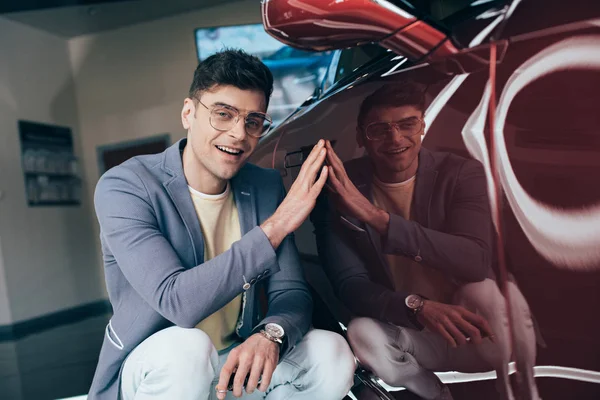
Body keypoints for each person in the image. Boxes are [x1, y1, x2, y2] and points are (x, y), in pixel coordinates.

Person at [88, 49, 356, 400]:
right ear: (188, 112)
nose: (238, 134)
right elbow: (176, 301)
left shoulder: (263, 185)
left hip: (231, 362)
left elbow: (290, 291)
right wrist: (275, 227)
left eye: (253, 121)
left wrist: (269, 335)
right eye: (223, 114)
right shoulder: (125, 186)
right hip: (159, 366)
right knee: (188, 349)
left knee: (331, 353)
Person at [313, 82, 540, 400]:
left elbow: (474, 260)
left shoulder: (460, 173)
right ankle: (434, 393)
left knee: (486, 290)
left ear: (422, 126)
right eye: (380, 129)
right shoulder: (340, 188)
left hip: (476, 328)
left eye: (406, 124)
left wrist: (375, 217)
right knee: (361, 331)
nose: (395, 139)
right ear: (362, 136)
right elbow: (350, 286)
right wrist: (416, 307)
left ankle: (524, 387)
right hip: (411, 334)